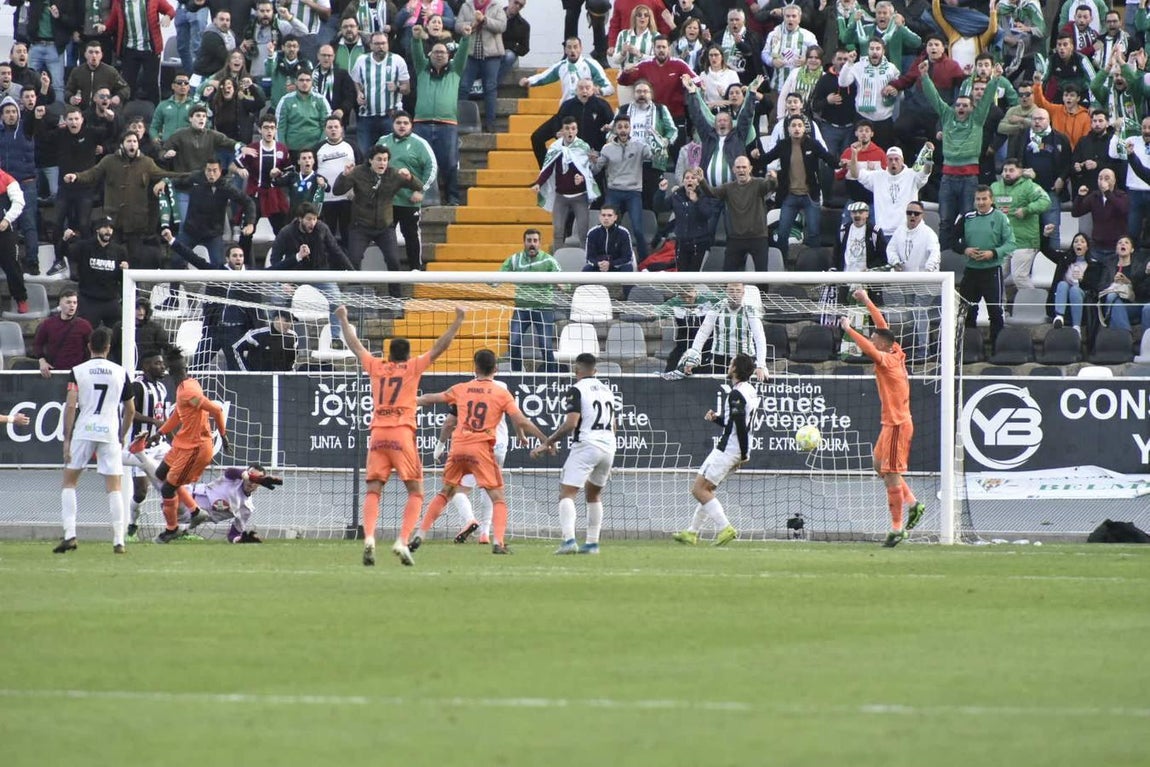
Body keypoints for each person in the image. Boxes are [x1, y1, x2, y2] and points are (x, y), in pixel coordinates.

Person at [335, 303, 464, 566]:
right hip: (402, 433)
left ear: (388, 353)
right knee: (416, 491)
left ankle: (369, 538)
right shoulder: (412, 367)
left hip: (377, 434)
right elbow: (439, 347)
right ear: (407, 355)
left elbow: (355, 345)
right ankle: (402, 540)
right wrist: (458, 320)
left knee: (373, 490)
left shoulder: (376, 366)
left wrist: (343, 319)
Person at [415, 348, 552, 556]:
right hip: (483, 449)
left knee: (447, 492)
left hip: (459, 447)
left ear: (475, 368)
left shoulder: (461, 388)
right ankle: (496, 541)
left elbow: (430, 399)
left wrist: (408, 401)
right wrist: (545, 440)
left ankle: (420, 534)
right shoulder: (501, 392)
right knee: (497, 497)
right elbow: (521, 421)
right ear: (496, 368)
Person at [838, 289, 924, 548]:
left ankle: (897, 528)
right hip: (890, 424)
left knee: (891, 474)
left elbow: (868, 348)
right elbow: (883, 327)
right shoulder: (895, 349)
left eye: (875, 339)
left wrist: (849, 329)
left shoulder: (886, 359)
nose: (872, 340)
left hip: (898, 424)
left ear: (883, 345)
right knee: (878, 464)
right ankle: (913, 503)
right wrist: (867, 301)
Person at [54, 326, 136, 555]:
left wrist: (67, 439)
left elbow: (71, 405)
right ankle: (119, 540)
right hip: (109, 431)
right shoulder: (120, 372)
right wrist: (122, 435)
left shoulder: (78, 371)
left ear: (89, 346)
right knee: (114, 486)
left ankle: (70, 534)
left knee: (69, 481)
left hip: (84, 430)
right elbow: (130, 410)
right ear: (108, 348)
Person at [530, 352, 616, 555]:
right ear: (595, 371)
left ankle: (569, 541)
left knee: (567, 493)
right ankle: (592, 544)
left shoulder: (576, 390)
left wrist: (547, 443)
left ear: (576, 370)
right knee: (594, 494)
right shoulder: (607, 391)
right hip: (609, 446)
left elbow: (570, 424)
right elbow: (614, 426)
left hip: (587, 444)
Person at [672, 353, 758, 547]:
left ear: (735, 369)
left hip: (729, 448)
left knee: (699, 490)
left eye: (731, 363)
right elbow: (736, 422)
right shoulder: (749, 390)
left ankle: (725, 527)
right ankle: (692, 532)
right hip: (736, 448)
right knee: (707, 490)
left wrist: (743, 453)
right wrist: (717, 419)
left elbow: (740, 426)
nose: (728, 366)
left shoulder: (736, 394)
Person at [920, 59, 1003, 252]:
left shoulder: (977, 119)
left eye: (965, 105)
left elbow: (987, 98)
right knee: (945, 220)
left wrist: (995, 79)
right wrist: (924, 77)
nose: (961, 108)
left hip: (969, 179)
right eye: (958, 105)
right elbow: (934, 98)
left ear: (973, 108)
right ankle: (941, 259)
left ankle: (967, 257)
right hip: (948, 178)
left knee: (969, 218)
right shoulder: (947, 116)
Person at [149, 345, 229, 543]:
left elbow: (217, 410)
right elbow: (178, 414)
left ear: (169, 370)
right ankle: (195, 511)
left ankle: (172, 529)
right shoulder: (186, 386)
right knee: (161, 474)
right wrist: (160, 432)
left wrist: (223, 436)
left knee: (168, 488)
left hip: (195, 447)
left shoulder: (189, 392)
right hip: (182, 444)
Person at [333, 145, 423, 281]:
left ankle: (395, 293)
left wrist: (410, 177)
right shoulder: (358, 172)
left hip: (385, 227)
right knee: (353, 260)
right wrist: (344, 175)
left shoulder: (394, 174)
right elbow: (337, 191)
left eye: (385, 160)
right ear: (370, 160)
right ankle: (354, 292)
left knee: (393, 261)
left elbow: (419, 186)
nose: (382, 163)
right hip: (360, 226)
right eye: (379, 159)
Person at [760, 116, 841, 262]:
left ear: (804, 128)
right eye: (793, 126)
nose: (796, 128)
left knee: (814, 233)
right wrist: (755, 155)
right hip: (789, 196)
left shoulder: (813, 144)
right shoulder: (783, 145)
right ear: (788, 129)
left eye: (799, 125)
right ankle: (782, 264)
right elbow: (766, 158)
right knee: (783, 232)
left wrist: (841, 163)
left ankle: (815, 264)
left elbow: (828, 158)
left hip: (810, 195)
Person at [411, 24, 473, 205]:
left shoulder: (455, 70)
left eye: (443, 52)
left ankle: (452, 197)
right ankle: (420, 197)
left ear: (449, 56)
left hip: (447, 125)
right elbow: (416, 53)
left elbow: (462, 53)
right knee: (420, 163)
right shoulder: (422, 69)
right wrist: (416, 39)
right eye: (436, 52)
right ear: (430, 55)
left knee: (451, 163)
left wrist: (466, 38)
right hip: (421, 124)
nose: (439, 55)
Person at [957, 185, 1017, 344]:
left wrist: (993, 253)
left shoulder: (1000, 218)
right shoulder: (967, 217)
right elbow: (952, 240)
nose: (981, 202)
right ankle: (969, 346)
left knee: (995, 311)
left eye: (984, 199)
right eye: (978, 199)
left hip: (992, 271)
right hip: (971, 271)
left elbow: (1011, 243)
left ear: (991, 200)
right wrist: (965, 249)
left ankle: (997, 347)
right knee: (967, 311)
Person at [376, 111, 437, 270]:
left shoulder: (420, 143)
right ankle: (391, 272)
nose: (402, 126)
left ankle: (415, 269)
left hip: (409, 200)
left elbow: (432, 167)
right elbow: (371, 166)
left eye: (405, 123)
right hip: (387, 201)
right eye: (398, 123)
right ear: (393, 124)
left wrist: (421, 190)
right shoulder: (383, 141)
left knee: (411, 235)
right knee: (386, 237)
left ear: (411, 125)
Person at [532, 115, 599, 255]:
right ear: (562, 131)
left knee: (583, 233)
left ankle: (585, 261)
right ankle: (558, 262)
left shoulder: (583, 147)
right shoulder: (555, 148)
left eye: (573, 129)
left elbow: (588, 172)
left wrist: (582, 178)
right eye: (567, 129)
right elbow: (548, 168)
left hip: (580, 196)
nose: (570, 132)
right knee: (558, 232)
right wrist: (539, 183)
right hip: (561, 197)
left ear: (577, 131)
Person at [122, 348, 169, 543]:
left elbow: (162, 416)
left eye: (162, 363)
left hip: (161, 446)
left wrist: (165, 432)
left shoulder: (162, 388)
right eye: (157, 363)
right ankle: (132, 525)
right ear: (146, 366)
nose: (162, 366)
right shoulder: (137, 386)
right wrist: (153, 421)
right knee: (141, 492)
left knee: (174, 486)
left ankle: (178, 527)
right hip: (141, 448)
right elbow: (129, 413)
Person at [886, 199, 942, 358]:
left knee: (919, 310)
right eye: (909, 213)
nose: (912, 216)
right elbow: (890, 248)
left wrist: (929, 269)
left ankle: (924, 349)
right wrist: (895, 261)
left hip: (927, 282)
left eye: (916, 213)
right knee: (911, 313)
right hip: (908, 280)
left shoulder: (928, 233)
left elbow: (935, 253)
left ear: (922, 215)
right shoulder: (900, 230)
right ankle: (917, 344)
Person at [500, 229, 560, 372]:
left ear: (540, 243)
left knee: (545, 345)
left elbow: (565, 282)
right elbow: (497, 277)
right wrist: (492, 282)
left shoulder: (549, 260)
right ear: (524, 242)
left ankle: (550, 376)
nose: (532, 244)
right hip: (522, 308)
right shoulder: (515, 259)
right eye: (529, 241)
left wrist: (562, 284)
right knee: (514, 343)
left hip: (543, 308)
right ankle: (516, 375)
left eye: (535, 241)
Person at [681, 282, 768, 380]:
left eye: (738, 291)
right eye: (731, 291)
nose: (734, 294)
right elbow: (703, 333)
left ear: (743, 293)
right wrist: (692, 357)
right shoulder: (717, 308)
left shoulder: (750, 310)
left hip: (745, 358)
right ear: (726, 292)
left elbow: (759, 337)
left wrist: (761, 365)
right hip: (720, 358)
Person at [990, 158, 1051, 294]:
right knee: (995, 276)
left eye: (1011, 170)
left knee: (1019, 276)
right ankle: (999, 305)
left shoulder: (1029, 186)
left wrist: (1026, 210)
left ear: (1020, 171)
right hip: (1003, 242)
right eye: (1005, 170)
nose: (1007, 173)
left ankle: (1035, 304)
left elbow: (1045, 201)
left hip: (1024, 241)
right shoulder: (995, 187)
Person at [182, 465, 284, 542]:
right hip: (186, 495)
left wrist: (240, 540)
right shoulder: (233, 479)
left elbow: (233, 535)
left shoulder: (246, 509)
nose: (252, 482)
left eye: (258, 480)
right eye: (251, 476)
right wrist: (250, 477)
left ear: (261, 484)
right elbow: (230, 471)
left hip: (185, 517)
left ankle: (181, 532)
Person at [59, 219, 129, 329]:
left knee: (121, 331)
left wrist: (125, 270)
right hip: (89, 300)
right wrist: (64, 240)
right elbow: (65, 253)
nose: (108, 231)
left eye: (111, 228)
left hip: (111, 300)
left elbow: (122, 279)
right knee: (86, 332)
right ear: (97, 229)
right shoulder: (84, 246)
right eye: (105, 227)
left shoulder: (119, 251)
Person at [529, 77, 614, 168]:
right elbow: (556, 123)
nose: (584, 90)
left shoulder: (602, 106)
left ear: (593, 89)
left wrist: (602, 150)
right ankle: (547, 169)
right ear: (576, 90)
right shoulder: (568, 105)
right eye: (581, 88)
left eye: (587, 88)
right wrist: (557, 133)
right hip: (572, 154)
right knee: (536, 137)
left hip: (595, 154)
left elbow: (613, 126)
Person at [849, 144, 931, 237]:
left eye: (896, 159)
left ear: (902, 161)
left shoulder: (912, 175)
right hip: (883, 233)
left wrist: (928, 154)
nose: (893, 162)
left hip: (907, 232)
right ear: (886, 161)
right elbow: (855, 174)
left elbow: (926, 172)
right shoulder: (877, 176)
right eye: (890, 159)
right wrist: (854, 154)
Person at [350, 31, 410, 154]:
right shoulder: (362, 60)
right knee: (365, 153)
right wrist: (359, 93)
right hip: (366, 116)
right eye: (377, 44)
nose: (381, 47)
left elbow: (407, 88)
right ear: (371, 45)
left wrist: (397, 88)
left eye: (383, 43)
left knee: (390, 153)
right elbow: (355, 81)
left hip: (390, 116)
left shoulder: (397, 60)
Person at [105, 0, 177, 103]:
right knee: (127, 83)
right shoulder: (120, 2)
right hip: (130, 48)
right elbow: (113, 20)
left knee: (151, 83)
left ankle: (154, 109)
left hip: (150, 48)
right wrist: (105, 27)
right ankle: (127, 109)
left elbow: (170, 10)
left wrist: (168, 16)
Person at [659, 169, 720, 272]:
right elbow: (660, 207)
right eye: (687, 178)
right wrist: (661, 192)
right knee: (682, 276)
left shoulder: (704, 195)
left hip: (699, 243)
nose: (690, 180)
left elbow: (707, 214)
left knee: (694, 276)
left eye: (693, 178)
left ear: (698, 182)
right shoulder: (677, 195)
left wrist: (696, 201)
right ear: (683, 181)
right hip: (681, 243)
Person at [34, 290, 94, 378]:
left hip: (78, 373)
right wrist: (42, 361)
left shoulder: (84, 325)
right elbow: (38, 344)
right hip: (54, 372)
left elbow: (93, 346)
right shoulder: (48, 324)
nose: (72, 305)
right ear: (60, 304)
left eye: (75, 302)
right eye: (68, 302)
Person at [276, 69, 333, 157]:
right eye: (301, 80)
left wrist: (320, 148)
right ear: (296, 82)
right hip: (292, 150)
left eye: (308, 80)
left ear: (312, 82)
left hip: (316, 150)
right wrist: (282, 150)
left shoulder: (321, 100)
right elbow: (279, 128)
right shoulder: (285, 100)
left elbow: (327, 126)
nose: (305, 83)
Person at [0, 166, 29, 313]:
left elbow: (19, 202)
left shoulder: (7, 179)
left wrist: (7, 219)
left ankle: (21, 299)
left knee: (12, 266)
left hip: (5, 230)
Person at [1050, 232, 1091, 334]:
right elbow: (1046, 250)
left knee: (1074, 290)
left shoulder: (1093, 265)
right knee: (1062, 284)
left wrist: (1083, 279)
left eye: (1082, 241)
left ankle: (1076, 326)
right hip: (1064, 293)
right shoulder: (1064, 259)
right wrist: (1046, 235)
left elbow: (1094, 286)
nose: (1078, 243)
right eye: (1076, 241)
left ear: (1087, 247)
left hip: (1081, 296)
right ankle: (1059, 317)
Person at [582, 204, 635, 283]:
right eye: (603, 215)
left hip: (617, 266)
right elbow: (589, 257)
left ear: (615, 217)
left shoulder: (623, 233)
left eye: (609, 215)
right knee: (586, 270)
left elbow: (627, 258)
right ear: (599, 217)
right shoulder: (592, 233)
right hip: (599, 266)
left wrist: (610, 264)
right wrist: (598, 264)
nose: (606, 218)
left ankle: (628, 292)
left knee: (627, 268)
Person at [232, 311, 299, 371]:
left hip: (282, 377)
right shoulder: (258, 334)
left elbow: (294, 358)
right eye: (286, 321)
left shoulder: (293, 336)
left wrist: (289, 372)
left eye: (292, 321)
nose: (289, 325)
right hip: (259, 377)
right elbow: (236, 348)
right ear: (276, 319)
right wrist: (246, 371)